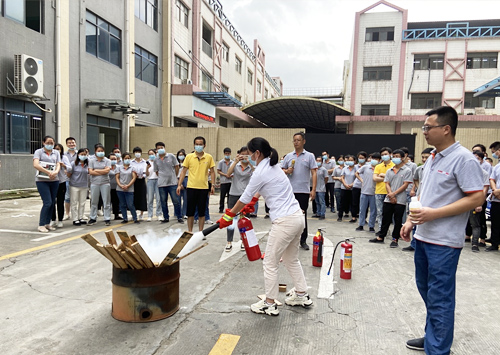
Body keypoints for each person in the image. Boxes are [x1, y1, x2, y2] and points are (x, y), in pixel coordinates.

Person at [400, 106, 484, 354]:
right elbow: (425, 195)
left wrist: (433, 215)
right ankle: (434, 336)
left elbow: (477, 198)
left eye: (428, 127)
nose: (424, 131)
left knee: (440, 297)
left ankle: (438, 349)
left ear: (446, 129)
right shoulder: (434, 157)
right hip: (423, 237)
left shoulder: (464, 159)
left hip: (444, 242)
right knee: (427, 291)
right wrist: (410, 221)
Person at [217, 137, 313, 316]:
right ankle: (302, 294)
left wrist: (229, 215)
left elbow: (244, 196)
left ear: (257, 153)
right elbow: (260, 190)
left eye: (249, 154)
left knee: (270, 262)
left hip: (284, 222)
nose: (248, 157)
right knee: (291, 260)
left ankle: (269, 303)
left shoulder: (260, 171)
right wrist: (253, 200)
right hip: (298, 218)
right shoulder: (273, 165)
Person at [369, 149, 413, 248]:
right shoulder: (389, 170)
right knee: (386, 218)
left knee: (397, 220)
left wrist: (394, 194)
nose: (395, 158)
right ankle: (381, 237)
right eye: (394, 156)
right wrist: (390, 194)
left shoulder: (407, 170)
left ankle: (395, 239)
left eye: (397, 156)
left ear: (402, 158)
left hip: (400, 200)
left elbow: (405, 185)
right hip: (388, 198)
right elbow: (387, 183)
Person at [281, 132, 317, 250]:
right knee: (289, 216)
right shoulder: (288, 156)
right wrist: (287, 171)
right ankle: (289, 240)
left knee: (302, 216)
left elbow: (314, 172)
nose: (296, 142)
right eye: (294, 140)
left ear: (303, 141)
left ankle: (303, 240)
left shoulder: (309, 156)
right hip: (290, 192)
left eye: (298, 140)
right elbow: (280, 170)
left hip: (303, 191)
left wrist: (313, 189)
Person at [177, 136, 215, 232]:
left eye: (200, 144)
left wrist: (213, 185)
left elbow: (213, 171)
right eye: (196, 144)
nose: (198, 146)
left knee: (202, 212)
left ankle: (200, 232)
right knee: (190, 212)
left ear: (204, 145)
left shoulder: (209, 157)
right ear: (194, 145)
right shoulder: (189, 157)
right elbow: (183, 171)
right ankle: (190, 231)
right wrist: (179, 184)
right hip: (191, 187)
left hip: (203, 188)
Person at [224, 146, 254, 251]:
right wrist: (235, 161)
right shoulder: (236, 165)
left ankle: (243, 240)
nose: (244, 157)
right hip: (234, 193)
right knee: (230, 218)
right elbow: (228, 174)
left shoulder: (251, 166)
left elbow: (257, 174)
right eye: (243, 154)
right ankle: (229, 241)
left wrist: (250, 162)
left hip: (246, 196)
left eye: (247, 154)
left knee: (244, 219)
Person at [404, 147, 433, 252]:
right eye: (423, 157)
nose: (424, 159)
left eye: (427, 157)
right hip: (419, 198)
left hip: (429, 199)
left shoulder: (433, 170)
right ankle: (414, 244)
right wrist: (418, 188)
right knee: (415, 220)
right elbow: (415, 179)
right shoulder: (419, 169)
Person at [33, 136, 61, 232]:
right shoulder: (39, 152)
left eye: (52, 143)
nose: (50, 144)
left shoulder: (56, 152)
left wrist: (56, 172)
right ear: (43, 142)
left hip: (54, 180)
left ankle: (47, 223)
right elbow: (36, 164)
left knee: (52, 202)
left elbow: (58, 164)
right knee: (47, 202)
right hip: (42, 180)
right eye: (48, 142)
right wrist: (48, 172)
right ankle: (41, 224)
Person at [154, 142, 182, 224]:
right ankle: (166, 217)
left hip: (172, 183)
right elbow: (156, 171)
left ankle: (179, 217)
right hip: (162, 184)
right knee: (163, 201)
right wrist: (162, 177)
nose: (160, 149)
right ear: (156, 150)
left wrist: (174, 176)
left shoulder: (171, 156)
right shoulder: (156, 160)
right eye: (158, 148)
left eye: (161, 147)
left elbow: (177, 166)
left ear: (164, 148)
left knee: (176, 201)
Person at [87, 144, 111, 226]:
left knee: (106, 201)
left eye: (102, 151)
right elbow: (90, 172)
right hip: (94, 183)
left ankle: (107, 218)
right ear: (95, 151)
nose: (100, 152)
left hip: (105, 183)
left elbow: (107, 171)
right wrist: (101, 170)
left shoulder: (107, 160)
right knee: (94, 201)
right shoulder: (91, 160)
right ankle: (93, 218)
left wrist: (96, 170)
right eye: (98, 151)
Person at [355, 152, 379, 232]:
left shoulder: (379, 168)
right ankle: (361, 225)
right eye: (373, 159)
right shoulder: (365, 167)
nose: (374, 160)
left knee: (373, 211)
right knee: (362, 209)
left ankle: (371, 226)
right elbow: (357, 173)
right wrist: (362, 180)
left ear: (379, 160)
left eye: (376, 159)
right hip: (364, 192)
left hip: (374, 192)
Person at [373, 147, 395, 235]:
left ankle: (391, 230)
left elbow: (394, 178)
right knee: (380, 212)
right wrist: (387, 177)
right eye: (382, 155)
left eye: (386, 154)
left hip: (390, 192)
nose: (384, 156)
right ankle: (381, 230)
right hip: (379, 192)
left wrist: (382, 176)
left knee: (390, 214)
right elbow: (374, 178)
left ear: (390, 154)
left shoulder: (394, 165)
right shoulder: (378, 166)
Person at [66, 148, 89, 226]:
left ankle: (81, 217)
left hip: (84, 186)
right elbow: (69, 174)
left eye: (85, 154)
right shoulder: (73, 163)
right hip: (74, 185)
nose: (83, 156)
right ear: (78, 155)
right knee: (74, 202)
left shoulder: (88, 164)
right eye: (81, 154)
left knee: (82, 203)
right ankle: (75, 219)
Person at [116, 153, 139, 224]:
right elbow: (117, 177)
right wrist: (120, 185)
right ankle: (125, 218)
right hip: (120, 189)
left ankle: (135, 218)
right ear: (123, 159)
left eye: (128, 158)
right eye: (125, 158)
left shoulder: (133, 168)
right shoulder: (119, 168)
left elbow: (134, 177)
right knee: (122, 204)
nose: (127, 160)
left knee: (130, 204)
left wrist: (128, 185)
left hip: (129, 189)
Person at [50, 144, 70, 228]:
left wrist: (64, 165)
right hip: (51, 181)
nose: (57, 150)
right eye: (55, 149)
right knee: (51, 202)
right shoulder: (50, 157)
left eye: (58, 149)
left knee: (60, 201)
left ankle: (60, 220)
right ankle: (53, 219)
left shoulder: (64, 158)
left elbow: (70, 168)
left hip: (61, 182)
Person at [486, 141, 500, 252]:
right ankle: (494, 243)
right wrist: (495, 190)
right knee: (495, 223)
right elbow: (492, 179)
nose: (494, 154)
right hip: (496, 199)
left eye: (495, 152)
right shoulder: (497, 166)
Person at [130, 147, 148, 220]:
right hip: (134, 181)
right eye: (136, 152)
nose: (137, 153)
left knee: (142, 197)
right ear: (134, 153)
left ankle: (141, 214)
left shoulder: (145, 162)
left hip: (142, 180)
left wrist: (143, 175)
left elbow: (147, 171)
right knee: (133, 197)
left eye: (139, 152)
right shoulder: (131, 162)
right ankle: (133, 213)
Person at [145, 149, 163, 222]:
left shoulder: (158, 161)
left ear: (155, 154)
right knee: (150, 199)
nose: (151, 155)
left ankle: (159, 214)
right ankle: (150, 215)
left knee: (159, 198)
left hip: (158, 180)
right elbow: (146, 174)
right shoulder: (147, 162)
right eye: (149, 154)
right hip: (150, 180)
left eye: (152, 153)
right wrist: (147, 168)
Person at [339, 155, 357, 223]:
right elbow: (342, 177)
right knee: (342, 202)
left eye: (351, 160)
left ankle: (353, 217)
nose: (350, 162)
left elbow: (357, 178)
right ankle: (340, 216)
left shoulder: (356, 169)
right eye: (349, 160)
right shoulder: (345, 168)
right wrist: (345, 184)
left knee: (353, 203)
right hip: (344, 187)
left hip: (352, 188)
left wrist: (352, 184)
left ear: (355, 161)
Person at [63, 137, 77, 220]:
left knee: (77, 198)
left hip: (78, 179)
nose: (71, 144)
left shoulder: (80, 154)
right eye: (69, 143)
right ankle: (67, 213)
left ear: (75, 143)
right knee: (67, 197)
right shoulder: (64, 155)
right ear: (67, 144)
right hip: (67, 179)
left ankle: (78, 213)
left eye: (73, 142)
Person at [351, 151, 367, 221]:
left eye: (362, 158)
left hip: (365, 187)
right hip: (356, 186)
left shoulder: (368, 166)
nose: (361, 159)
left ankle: (363, 218)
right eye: (359, 158)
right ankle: (354, 216)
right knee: (354, 202)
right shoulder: (355, 166)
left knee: (364, 204)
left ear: (365, 158)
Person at [218, 147, 233, 213]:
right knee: (222, 196)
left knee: (230, 196)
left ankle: (229, 208)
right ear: (224, 154)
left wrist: (231, 175)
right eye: (226, 153)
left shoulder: (232, 162)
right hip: (223, 181)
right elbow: (218, 171)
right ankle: (221, 208)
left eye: (228, 153)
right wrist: (225, 175)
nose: (227, 155)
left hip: (230, 181)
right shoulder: (221, 162)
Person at [108, 153, 121, 220]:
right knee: (107, 201)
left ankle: (116, 215)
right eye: (111, 159)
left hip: (116, 186)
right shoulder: (106, 167)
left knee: (116, 201)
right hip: (108, 187)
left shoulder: (119, 167)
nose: (113, 160)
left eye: (114, 159)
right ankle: (107, 215)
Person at [176, 149, 188, 218]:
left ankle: (184, 213)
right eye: (179, 155)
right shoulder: (176, 164)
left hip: (186, 179)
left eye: (182, 155)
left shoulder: (186, 163)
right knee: (178, 198)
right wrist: (179, 184)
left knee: (186, 198)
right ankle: (178, 213)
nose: (181, 156)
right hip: (178, 179)